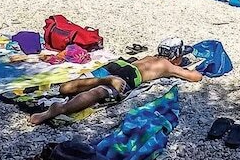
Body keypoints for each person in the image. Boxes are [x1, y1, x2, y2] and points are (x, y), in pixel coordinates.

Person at [29, 42, 202, 125]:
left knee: (70, 86)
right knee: (98, 92)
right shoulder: (168, 65)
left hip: (118, 64)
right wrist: (193, 70)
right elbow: (195, 77)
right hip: (129, 75)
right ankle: (61, 109)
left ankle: (98, 80)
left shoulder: (150, 57)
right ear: (176, 57)